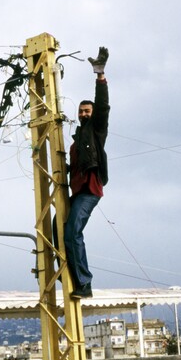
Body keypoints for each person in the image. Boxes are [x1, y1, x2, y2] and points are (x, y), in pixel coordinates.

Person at [64, 46, 110, 299]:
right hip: (77, 191)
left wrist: (100, 76)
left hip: (89, 191)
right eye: (80, 111)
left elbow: (103, 107)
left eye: (87, 111)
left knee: (73, 232)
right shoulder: (75, 142)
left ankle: (84, 283)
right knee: (57, 230)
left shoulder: (96, 131)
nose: (83, 114)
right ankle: (67, 271)